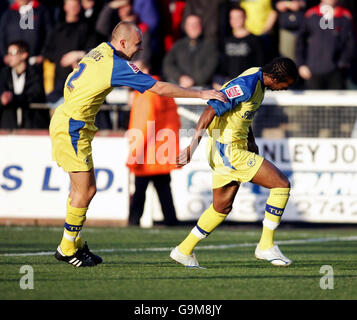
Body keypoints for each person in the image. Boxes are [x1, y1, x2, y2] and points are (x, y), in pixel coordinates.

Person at [50, 21, 227, 267]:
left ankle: (73, 243)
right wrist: (200, 94)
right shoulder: (116, 64)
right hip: (72, 127)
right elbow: (159, 88)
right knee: (85, 191)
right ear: (122, 43)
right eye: (137, 43)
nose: (141, 48)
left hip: (72, 122)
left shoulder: (102, 49)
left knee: (85, 190)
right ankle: (67, 248)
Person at [170, 57, 298, 268]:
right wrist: (192, 146)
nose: (285, 89)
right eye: (286, 84)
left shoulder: (257, 77)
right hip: (229, 150)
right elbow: (210, 110)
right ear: (275, 78)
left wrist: (252, 142)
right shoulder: (247, 85)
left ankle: (183, 250)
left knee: (221, 207)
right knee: (281, 184)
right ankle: (266, 245)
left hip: (226, 149)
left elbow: (241, 117)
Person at [126, 60, 180, 226]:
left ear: (146, 69)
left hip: (147, 151)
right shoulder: (162, 88)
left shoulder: (146, 91)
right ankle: (171, 223)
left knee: (140, 190)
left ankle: (134, 222)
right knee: (164, 190)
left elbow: (144, 123)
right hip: (162, 149)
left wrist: (136, 153)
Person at [295, 0, 355, 89]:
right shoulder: (311, 14)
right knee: (314, 101)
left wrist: (343, 62)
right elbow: (300, 42)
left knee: (335, 101)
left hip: (336, 72)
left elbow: (350, 43)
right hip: (312, 71)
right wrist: (301, 65)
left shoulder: (344, 16)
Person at [213, 6, 264, 89]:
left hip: (248, 85)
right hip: (228, 84)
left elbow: (260, 65)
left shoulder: (255, 40)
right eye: (232, 18)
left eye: (238, 17)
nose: (235, 21)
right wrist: (219, 81)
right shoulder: (226, 41)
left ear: (245, 18)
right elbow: (222, 66)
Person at [0, 41, 48, 129]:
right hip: (9, 127)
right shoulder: (4, 74)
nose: (9, 57)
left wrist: (13, 97)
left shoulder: (35, 73)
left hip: (32, 126)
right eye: (8, 53)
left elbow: (35, 95)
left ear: (24, 55)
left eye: (13, 53)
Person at [162, 14, 219, 88]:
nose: (193, 27)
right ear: (185, 27)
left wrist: (193, 80)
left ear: (201, 26)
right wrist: (180, 77)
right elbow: (167, 64)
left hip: (203, 89)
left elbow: (211, 66)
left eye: (196, 24)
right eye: (190, 24)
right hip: (179, 87)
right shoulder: (178, 45)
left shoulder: (210, 46)